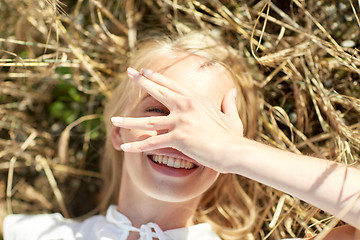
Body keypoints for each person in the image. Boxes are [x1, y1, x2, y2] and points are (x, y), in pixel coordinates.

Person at [3, 32, 359, 240]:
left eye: (207, 125)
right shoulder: (32, 234)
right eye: (157, 111)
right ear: (117, 130)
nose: (181, 136)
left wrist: (233, 151)